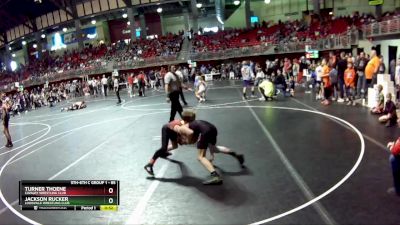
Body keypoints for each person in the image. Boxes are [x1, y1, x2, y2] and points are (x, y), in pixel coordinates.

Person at [173, 110, 244, 185]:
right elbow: (196, 137)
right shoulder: (196, 122)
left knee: (201, 157)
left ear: (184, 119)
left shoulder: (185, 127)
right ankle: (236, 155)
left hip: (205, 132)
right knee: (214, 149)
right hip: (212, 128)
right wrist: (211, 153)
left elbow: (191, 136)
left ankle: (216, 176)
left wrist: (187, 141)